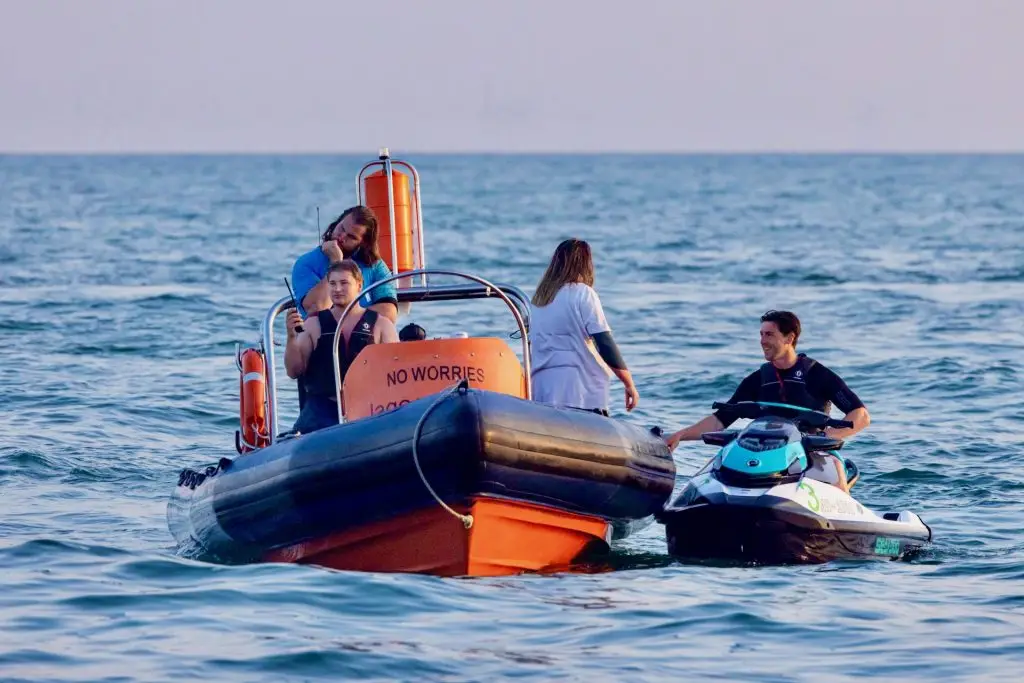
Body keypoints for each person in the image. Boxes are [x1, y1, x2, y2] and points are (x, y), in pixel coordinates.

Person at [663, 310, 871, 491]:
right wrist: (680, 435)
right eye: (761, 334)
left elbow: (860, 415)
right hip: (763, 451)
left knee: (835, 473)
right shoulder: (758, 379)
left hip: (812, 450)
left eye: (769, 334)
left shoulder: (816, 374)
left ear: (789, 338)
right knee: (715, 470)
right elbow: (720, 420)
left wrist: (827, 437)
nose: (762, 340)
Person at [284, 259, 399, 434]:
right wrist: (291, 338)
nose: (337, 289)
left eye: (344, 283)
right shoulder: (313, 323)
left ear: (359, 285)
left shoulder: (381, 325)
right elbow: (293, 371)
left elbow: (395, 373)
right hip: (320, 412)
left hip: (367, 409)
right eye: (333, 284)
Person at [528, 238, 639, 416]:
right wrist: (629, 383)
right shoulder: (583, 293)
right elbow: (604, 342)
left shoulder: (538, 300)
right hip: (579, 390)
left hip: (542, 388)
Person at [290, 205, 399, 322]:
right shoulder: (306, 263)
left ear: (363, 244)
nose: (341, 237)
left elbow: (389, 313)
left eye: (351, 237)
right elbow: (317, 308)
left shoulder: (375, 265)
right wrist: (335, 263)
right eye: (341, 228)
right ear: (337, 222)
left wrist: (346, 321)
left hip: (366, 336)